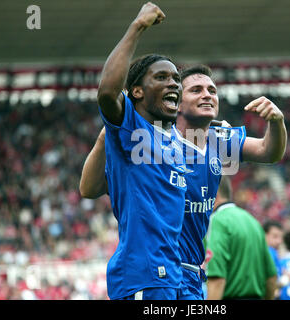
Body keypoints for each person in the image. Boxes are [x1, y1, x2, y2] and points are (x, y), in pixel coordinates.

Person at [80, 64, 288, 300]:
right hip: (154, 273)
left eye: (212, 90)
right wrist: (107, 131)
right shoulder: (151, 143)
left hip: (191, 275)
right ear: (176, 101)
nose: (207, 94)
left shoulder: (219, 142)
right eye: (196, 90)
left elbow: (269, 151)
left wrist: (276, 121)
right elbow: (89, 188)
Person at [94, 2, 189, 300]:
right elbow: (108, 93)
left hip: (172, 277)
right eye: (161, 77)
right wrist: (138, 26)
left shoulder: (174, 138)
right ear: (136, 92)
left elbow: (87, 188)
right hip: (143, 278)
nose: (173, 82)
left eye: (176, 78)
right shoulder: (132, 127)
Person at [205, 176, 278, 300]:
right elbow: (271, 278)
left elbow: (216, 279)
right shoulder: (253, 221)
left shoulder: (217, 221)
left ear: (214, 193)